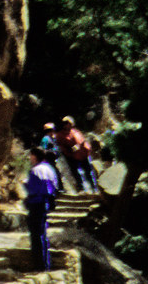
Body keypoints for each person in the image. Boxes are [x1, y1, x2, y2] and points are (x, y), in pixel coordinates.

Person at [23, 144, 60, 272]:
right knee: (42, 234)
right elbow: (54, 186)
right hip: (46, 203)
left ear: (34, 156)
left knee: (35, 235)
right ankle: (45, 263)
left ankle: (39, 265)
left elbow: (33, 189)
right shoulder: (50, 169)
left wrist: (25, 185)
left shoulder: (35, 170)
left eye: (31, 156)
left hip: (36, 203)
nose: (30, 158)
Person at [59, 116, 100, 192]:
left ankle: (94, 188)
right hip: (73, 157)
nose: (69, 125)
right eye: (66, 123)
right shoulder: (61, 135)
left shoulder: (76, 131)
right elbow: (63, 147)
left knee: (89, 172)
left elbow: (82, 141)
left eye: (69, 123)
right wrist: (71, 151)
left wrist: (87, 149)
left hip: (83, 155)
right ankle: (81, 189)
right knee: (77, 174)